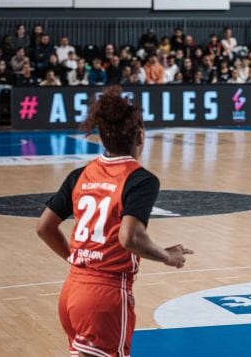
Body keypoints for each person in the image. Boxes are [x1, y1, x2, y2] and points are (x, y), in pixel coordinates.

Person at [35, 87, 192, 357]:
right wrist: (168, 256)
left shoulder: (80, 175)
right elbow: (129, 237)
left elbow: (44, 227)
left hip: (72, 290)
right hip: (105, 296)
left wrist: (77, 259)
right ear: (140, 136)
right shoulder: (140, 179)